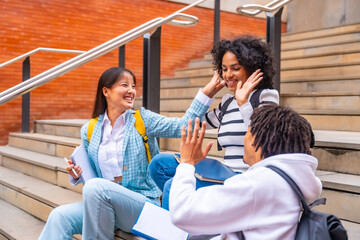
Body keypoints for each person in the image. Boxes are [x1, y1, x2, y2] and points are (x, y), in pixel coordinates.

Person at [38, 67, 216, 240]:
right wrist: (77, 172)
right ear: (106, 91)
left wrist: (206, 93)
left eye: (133, 86)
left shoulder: (142, 119)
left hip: (142, 204)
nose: (131, 90)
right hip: (104, 202)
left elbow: (181, 126)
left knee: (95, 188)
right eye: (124, 85)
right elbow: (90, 172)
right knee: (59, 216)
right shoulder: (90, 129)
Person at [149, 35, 279, 209]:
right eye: (224, 69)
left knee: (172, 186)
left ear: (252, 68)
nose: (228, 75)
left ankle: (174, 230)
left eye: (235, 68)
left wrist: (243, 103)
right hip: (224, 170)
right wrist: (206, 94)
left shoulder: (266, 96)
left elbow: (263, 137)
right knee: (159, 164)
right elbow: (190, 125)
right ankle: (194, 217)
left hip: (247, 177)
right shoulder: (227, 102)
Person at [169, 104, 322, 240]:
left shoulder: (258, 185)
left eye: (247, 133)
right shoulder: (292, 178)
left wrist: (186, 163)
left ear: (256, 140)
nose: (244, 139)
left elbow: (182, 213)